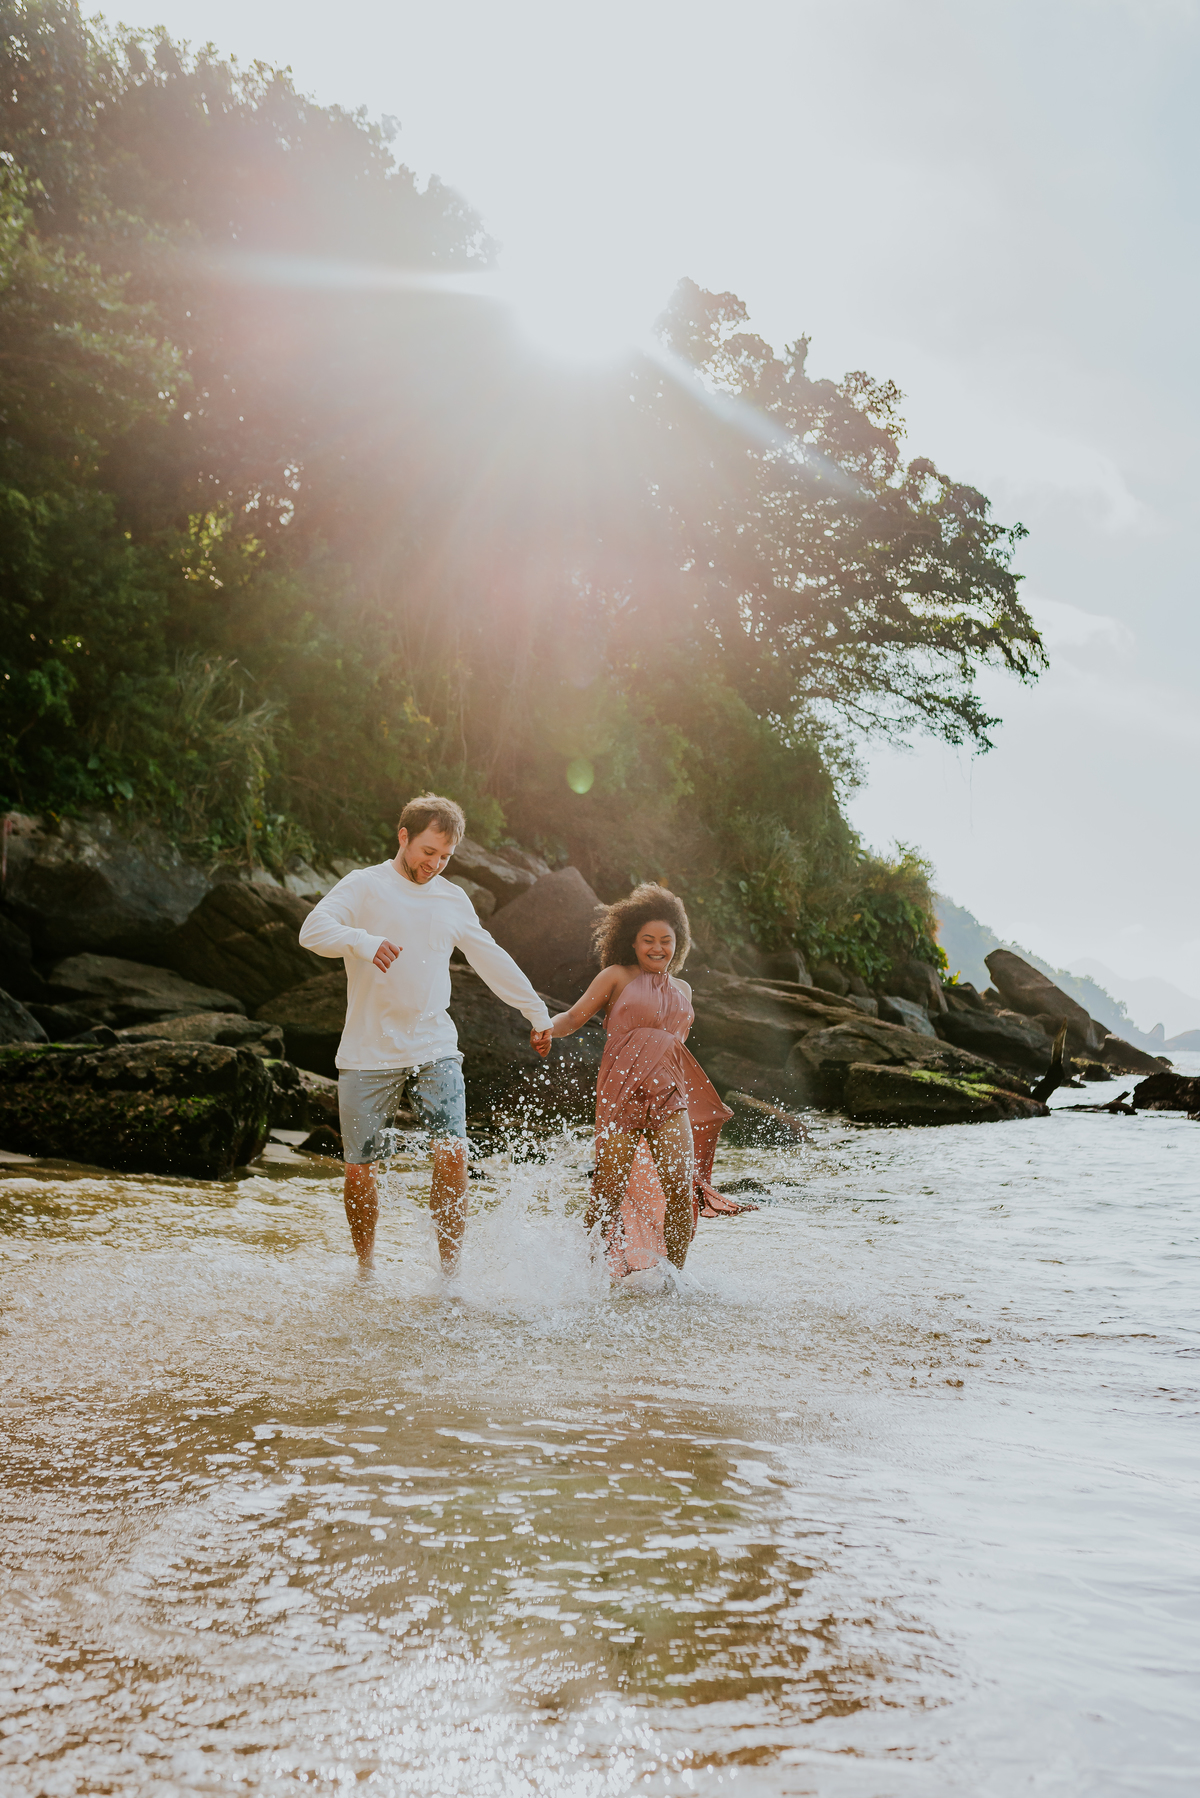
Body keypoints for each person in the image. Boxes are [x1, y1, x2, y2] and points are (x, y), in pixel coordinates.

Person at [298, 794, 552, 1272]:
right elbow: (312, 931)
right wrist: (363, 940)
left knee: (454, 1150)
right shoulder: (364, 886)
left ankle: (449, 1277)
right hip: (367, 1049)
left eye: (445, 857)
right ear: (403, 837)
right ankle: (366, 1270)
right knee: (359, 1168)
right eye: (427, 852)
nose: (434, 864)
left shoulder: (452, 899)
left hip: (434, 1042)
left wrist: (536, 1012)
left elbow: (490, 957)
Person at [547, 883, 752, 1278]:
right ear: (632, 941)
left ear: (680, 942)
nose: (657, 948)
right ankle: (585, 1280)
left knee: (679, 1189)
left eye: (666, 940)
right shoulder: (616, 975)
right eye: (648, 940)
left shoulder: (684, 990)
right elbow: (573, 1018)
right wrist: (544, 1028)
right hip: (622, 1093)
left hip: (670, 1097)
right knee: (606, 1193)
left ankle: (673, 1282)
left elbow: (673, 1048)